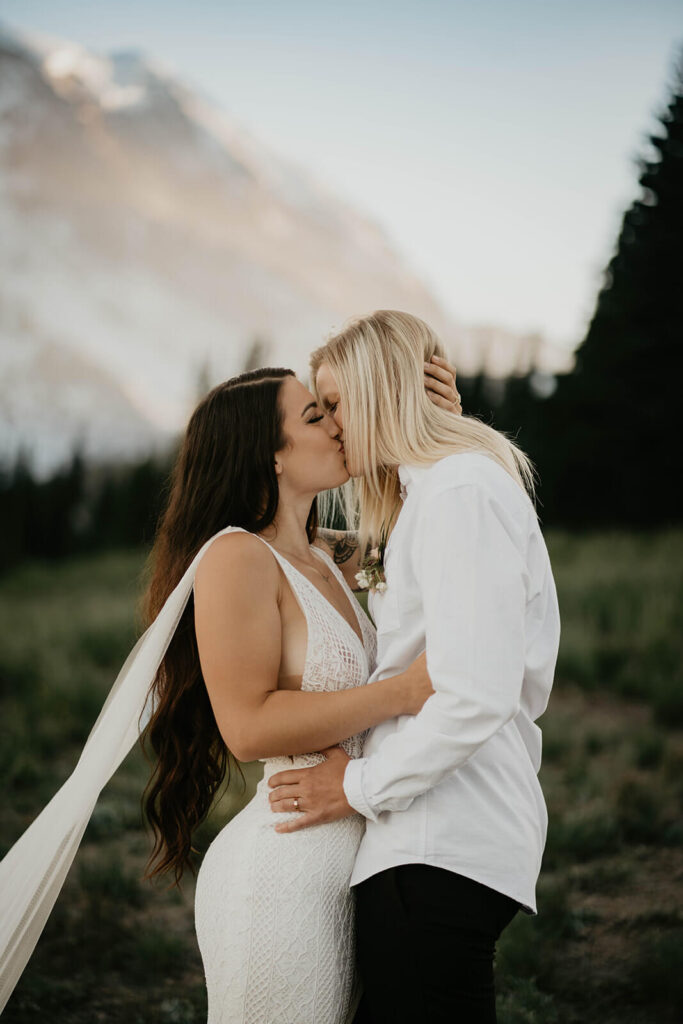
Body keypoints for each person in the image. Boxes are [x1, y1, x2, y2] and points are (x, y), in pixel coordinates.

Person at [0, 355, 461, 1023]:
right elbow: (247, 726)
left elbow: (438, 524)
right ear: (268, 455)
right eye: (314, 414)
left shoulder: (328, 556)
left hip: (348, 870)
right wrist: (404, 692)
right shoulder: (238, 557)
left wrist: (437, 420)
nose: (336, 425)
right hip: (280, 882)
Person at [266, 310, 561, 1024]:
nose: (331, 426)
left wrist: (355, 786)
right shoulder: (437, 495)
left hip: (439, 840)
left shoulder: (460, 492)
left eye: (335, 404)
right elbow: (373, 556)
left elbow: (472, 695)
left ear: (378, 390)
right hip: (429, 839)